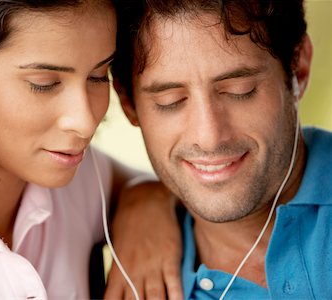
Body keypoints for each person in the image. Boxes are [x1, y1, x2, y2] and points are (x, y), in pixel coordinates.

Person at [0, 0, 184, 299]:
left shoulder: (80, 181)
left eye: (97, 75)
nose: (85, 121)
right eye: (45, 82)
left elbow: (147, 183)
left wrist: (144, 205)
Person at [112, 0, 332, 298]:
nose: (210, 137)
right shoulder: (136, 282)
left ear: (298, 68)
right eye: (170, 101)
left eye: (239, 90)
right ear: (129, 104)